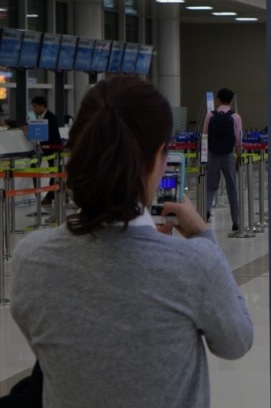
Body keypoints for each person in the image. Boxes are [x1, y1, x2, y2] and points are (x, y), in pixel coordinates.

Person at [10, 76, 253, 408]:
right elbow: (236, 342)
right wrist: (203, 237)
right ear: (157, 158)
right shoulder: (194, 263)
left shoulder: (31, 259)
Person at [203, 87, 242, 231]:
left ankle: (206, 211)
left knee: (211, 186)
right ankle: (235, 220)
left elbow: (205, 135)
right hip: (228, 155)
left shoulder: (210, 115)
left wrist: (204, 156)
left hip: (213, 155)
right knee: (232, 188)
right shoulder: (235, 117)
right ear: (231, 100)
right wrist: (239, 156)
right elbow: (238, 139)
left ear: (218, 99)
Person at [30, 96, 61, 206]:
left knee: (54, 173)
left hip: (54, 150)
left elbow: (47, 134)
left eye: (35, 106)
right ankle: (58, 195)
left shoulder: (50, 117)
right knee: (53, 172)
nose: (34, 109)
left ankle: (50, 196)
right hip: (49, 150)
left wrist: (31, 129)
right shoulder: (43, 117)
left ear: (42, 106)